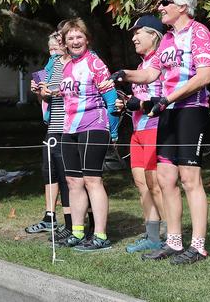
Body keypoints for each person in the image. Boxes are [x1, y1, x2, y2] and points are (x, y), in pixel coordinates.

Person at [104, 0, 210, 264]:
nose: (160, 7)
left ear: (182, 5)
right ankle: (174, 242)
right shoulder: (165, 39)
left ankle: (198, 246)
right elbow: (150, 74)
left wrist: (169, 98)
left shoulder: (199, 32)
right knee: (166, 178)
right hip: (168, 111)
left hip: (191, 108)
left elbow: (204, 77)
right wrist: (123, 74)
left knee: (190, 179)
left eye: (164, 2)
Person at [57, 18, 119, 252]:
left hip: (94, 125)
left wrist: (112, 131)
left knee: (93, 180)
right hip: (69, 128)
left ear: (87, 39)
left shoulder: (94, 62)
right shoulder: (65, 66)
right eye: (70, 38)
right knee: (73, 181)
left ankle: (101, 235)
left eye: (79, 37)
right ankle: (77, 231)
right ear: (64, 42)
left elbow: (112, 99)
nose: (75, 41)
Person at [115, 16, 168, 253]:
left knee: (156, 184)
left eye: (138, 33)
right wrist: (126, 103)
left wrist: (142, 103)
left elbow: (167, 95)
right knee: (142, 184)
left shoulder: (160, 62)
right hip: (137, 130)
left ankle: (170, 236)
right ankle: (152, 235)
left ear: (153, 35)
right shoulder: (141, 65)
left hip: (155, 128)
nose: (134, 38)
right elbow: (140, 97)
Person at [25, 29, 73, 242]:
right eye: (50, 48)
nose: (52, 51)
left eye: (56, 47)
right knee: (50, 172)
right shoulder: (50, 67)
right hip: (52, 125)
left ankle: (73, 223)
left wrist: (51, 91)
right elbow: (45, 102)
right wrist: (39, 92)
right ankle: (50, 216)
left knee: (67, 177)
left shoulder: (71, 65)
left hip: (68, 126)